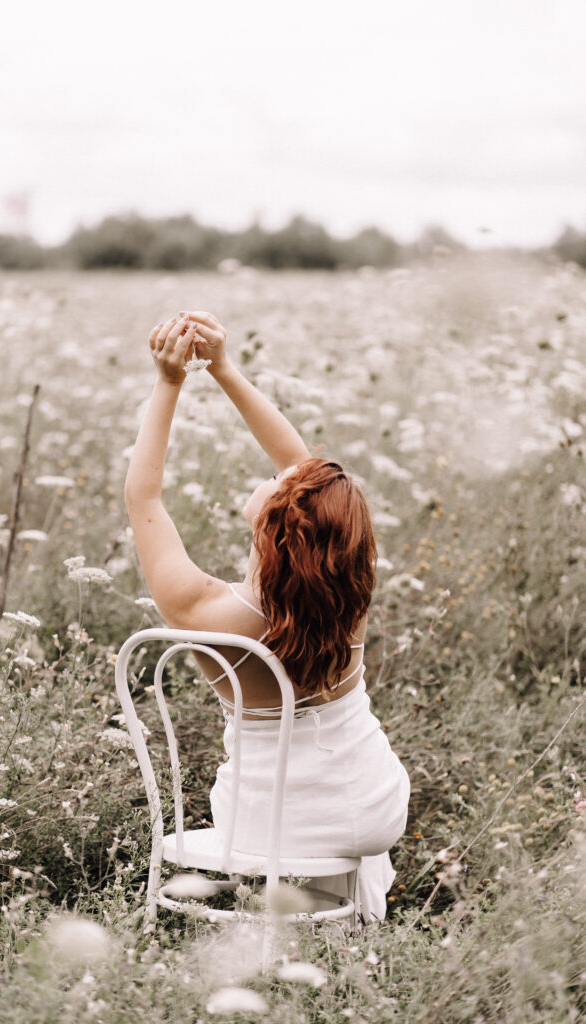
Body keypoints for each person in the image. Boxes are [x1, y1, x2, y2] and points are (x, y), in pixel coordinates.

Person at [124, 310, 410, 922]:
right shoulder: (349, 585)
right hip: (374, 803)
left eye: (282, 488)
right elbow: (307, 475)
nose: (281, 476)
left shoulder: (206, 612)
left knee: (260, 806)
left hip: (266, 828)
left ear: (275, 527)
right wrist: (224, 369)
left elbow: (143, 497)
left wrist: (169, 383)